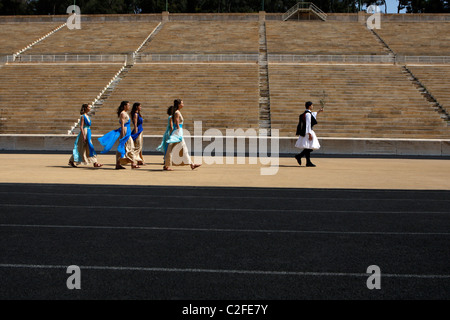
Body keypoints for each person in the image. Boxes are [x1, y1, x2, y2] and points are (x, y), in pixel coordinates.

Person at [98, 101, 142, 170]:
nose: (129, 106)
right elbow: (122, 124)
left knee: (123, 148)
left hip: (127, 131)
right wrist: (123, 135)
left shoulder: (125, 113)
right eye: (128, 105)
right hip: (125, 132)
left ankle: (118, 164)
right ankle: (132, 163)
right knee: (130, 146)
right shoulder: (123, 113)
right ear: (124, 106)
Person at [163, 99, 201, 171]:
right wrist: (178, 131)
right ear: (178, 104)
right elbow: (177, 122)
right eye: (182, 103)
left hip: (177, 132)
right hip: (177, 132)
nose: (183, 104)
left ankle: (191, 164)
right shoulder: (177, 112)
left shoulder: (177, 112)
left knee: (182, 148)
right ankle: (166, 165)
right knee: (171, 148)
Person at [68, 104, 103, 168]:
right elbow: (81, 126)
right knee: (83, 147)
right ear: (85, 108)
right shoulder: (83, 116)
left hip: (88, 131)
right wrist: (84, 136)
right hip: (85, 131)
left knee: (86, 147)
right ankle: (95, 162)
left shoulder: (87, 116)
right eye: (89, 107)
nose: (90, 108)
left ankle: (94, 162)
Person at [294, 101, 323, 167]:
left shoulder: (307, 113)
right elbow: (308, 124)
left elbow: (313, 115)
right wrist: (309, 134)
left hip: (306, 132)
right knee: (310, 147)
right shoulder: (308, 114)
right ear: (309, 106)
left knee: (308, 147)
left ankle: (307, 161)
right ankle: (300, 156)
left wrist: (319, 111)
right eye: (312, 105)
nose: (313, 106)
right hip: (308, 132)